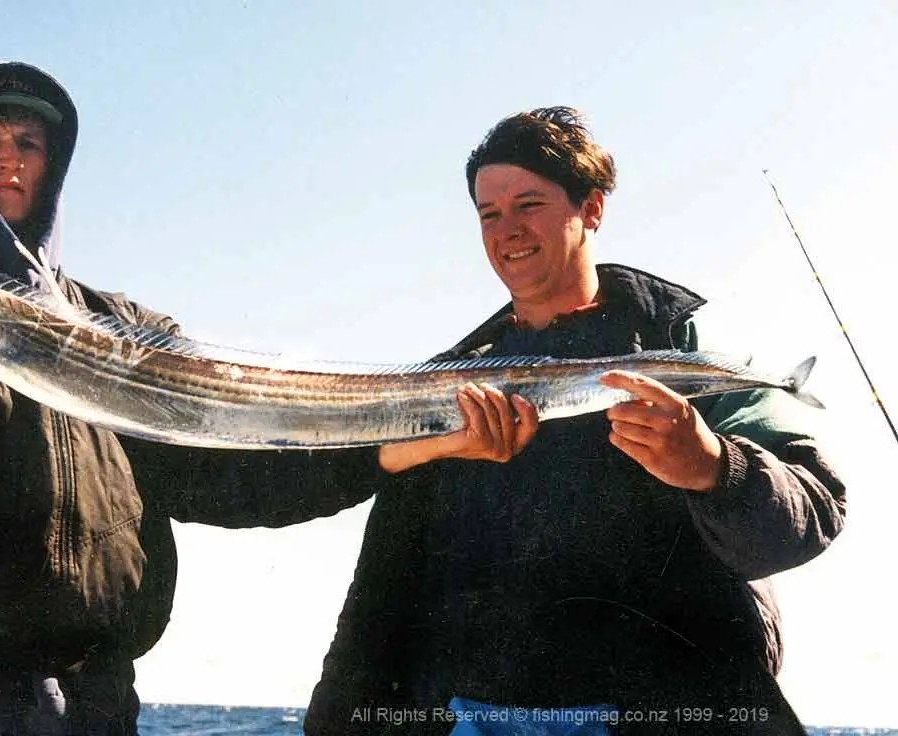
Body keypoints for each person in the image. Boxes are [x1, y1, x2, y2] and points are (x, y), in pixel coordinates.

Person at [0, 61, 391, 735]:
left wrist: (396, 450)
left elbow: (230, 476)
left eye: (28, 143)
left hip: (98, 705)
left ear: (54, 164)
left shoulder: (125, 330)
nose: (8, 159)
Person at [303, 107, 847, 735]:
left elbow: (811, 511)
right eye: (489, 213)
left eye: (529, 203)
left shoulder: (687, 349)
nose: (507, 230)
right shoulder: (447, 384)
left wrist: (714, 467)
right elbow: (382, 589)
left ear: (591, 208)